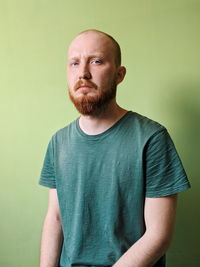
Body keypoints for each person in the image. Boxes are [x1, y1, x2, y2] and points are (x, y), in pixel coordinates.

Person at [39, 29, 190, 267]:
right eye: (74, 63)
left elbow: (158, 236)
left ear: (119, 74)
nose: (83, 73)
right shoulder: (58, 142)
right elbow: (56, 218)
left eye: (97, 61)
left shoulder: (152, 139)